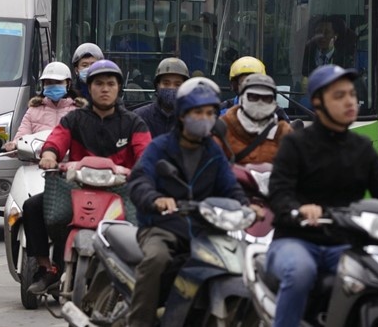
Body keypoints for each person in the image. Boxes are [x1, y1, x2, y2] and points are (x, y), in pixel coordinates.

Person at [267, 65, 378, 326]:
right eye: (339, 96)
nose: (349, 101)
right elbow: (278, 193)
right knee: (300, 274)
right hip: (297, 240)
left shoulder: (361, 148)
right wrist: (299, 210)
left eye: (352, 94)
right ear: (318, 102)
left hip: (344, 244)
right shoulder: (295, 144)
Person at [125, 77, 258, 327]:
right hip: (161, 226)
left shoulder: (214, 151)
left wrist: (246, 206)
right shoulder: (160, 147)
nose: (205, 118)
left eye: (210, 113)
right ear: (182, 115)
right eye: (198, 112)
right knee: (157, 259)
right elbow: (139, 180)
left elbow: (230, 186)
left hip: (202, 228)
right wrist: (156, 199)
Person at [23, 60, 152, 294]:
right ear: (89, 88)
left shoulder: (133, 122)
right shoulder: (74, 119)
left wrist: (142, 171)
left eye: (110, 84)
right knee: (32, 206)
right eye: (99, 83)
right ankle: (46, 268)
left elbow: (145, 153)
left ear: (118, 88)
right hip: (77, 187)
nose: (105, 89)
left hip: (120, 191)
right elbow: (56, 141)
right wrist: (49, 155)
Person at [216, 72, 293, 164]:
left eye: (266, 98)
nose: (260, 102)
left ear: (273, 101)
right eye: (253, 97)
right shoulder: (224, 128)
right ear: (242, 98)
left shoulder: (283, 132)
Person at [3, 61, 82, 151]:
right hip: (38, 158)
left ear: (68, 83)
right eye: (49, 82)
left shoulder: (79, 112)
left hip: (69, 158)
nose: (53, 85)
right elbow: (22, 135)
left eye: (58, 82)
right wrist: (14, 144)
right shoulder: (33, 110)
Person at [134, 57, 189, 137]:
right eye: (166, 83)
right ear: (157, 85)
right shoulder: (139, 117)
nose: (171, 88)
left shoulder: (192, 119)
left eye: (177, 84)